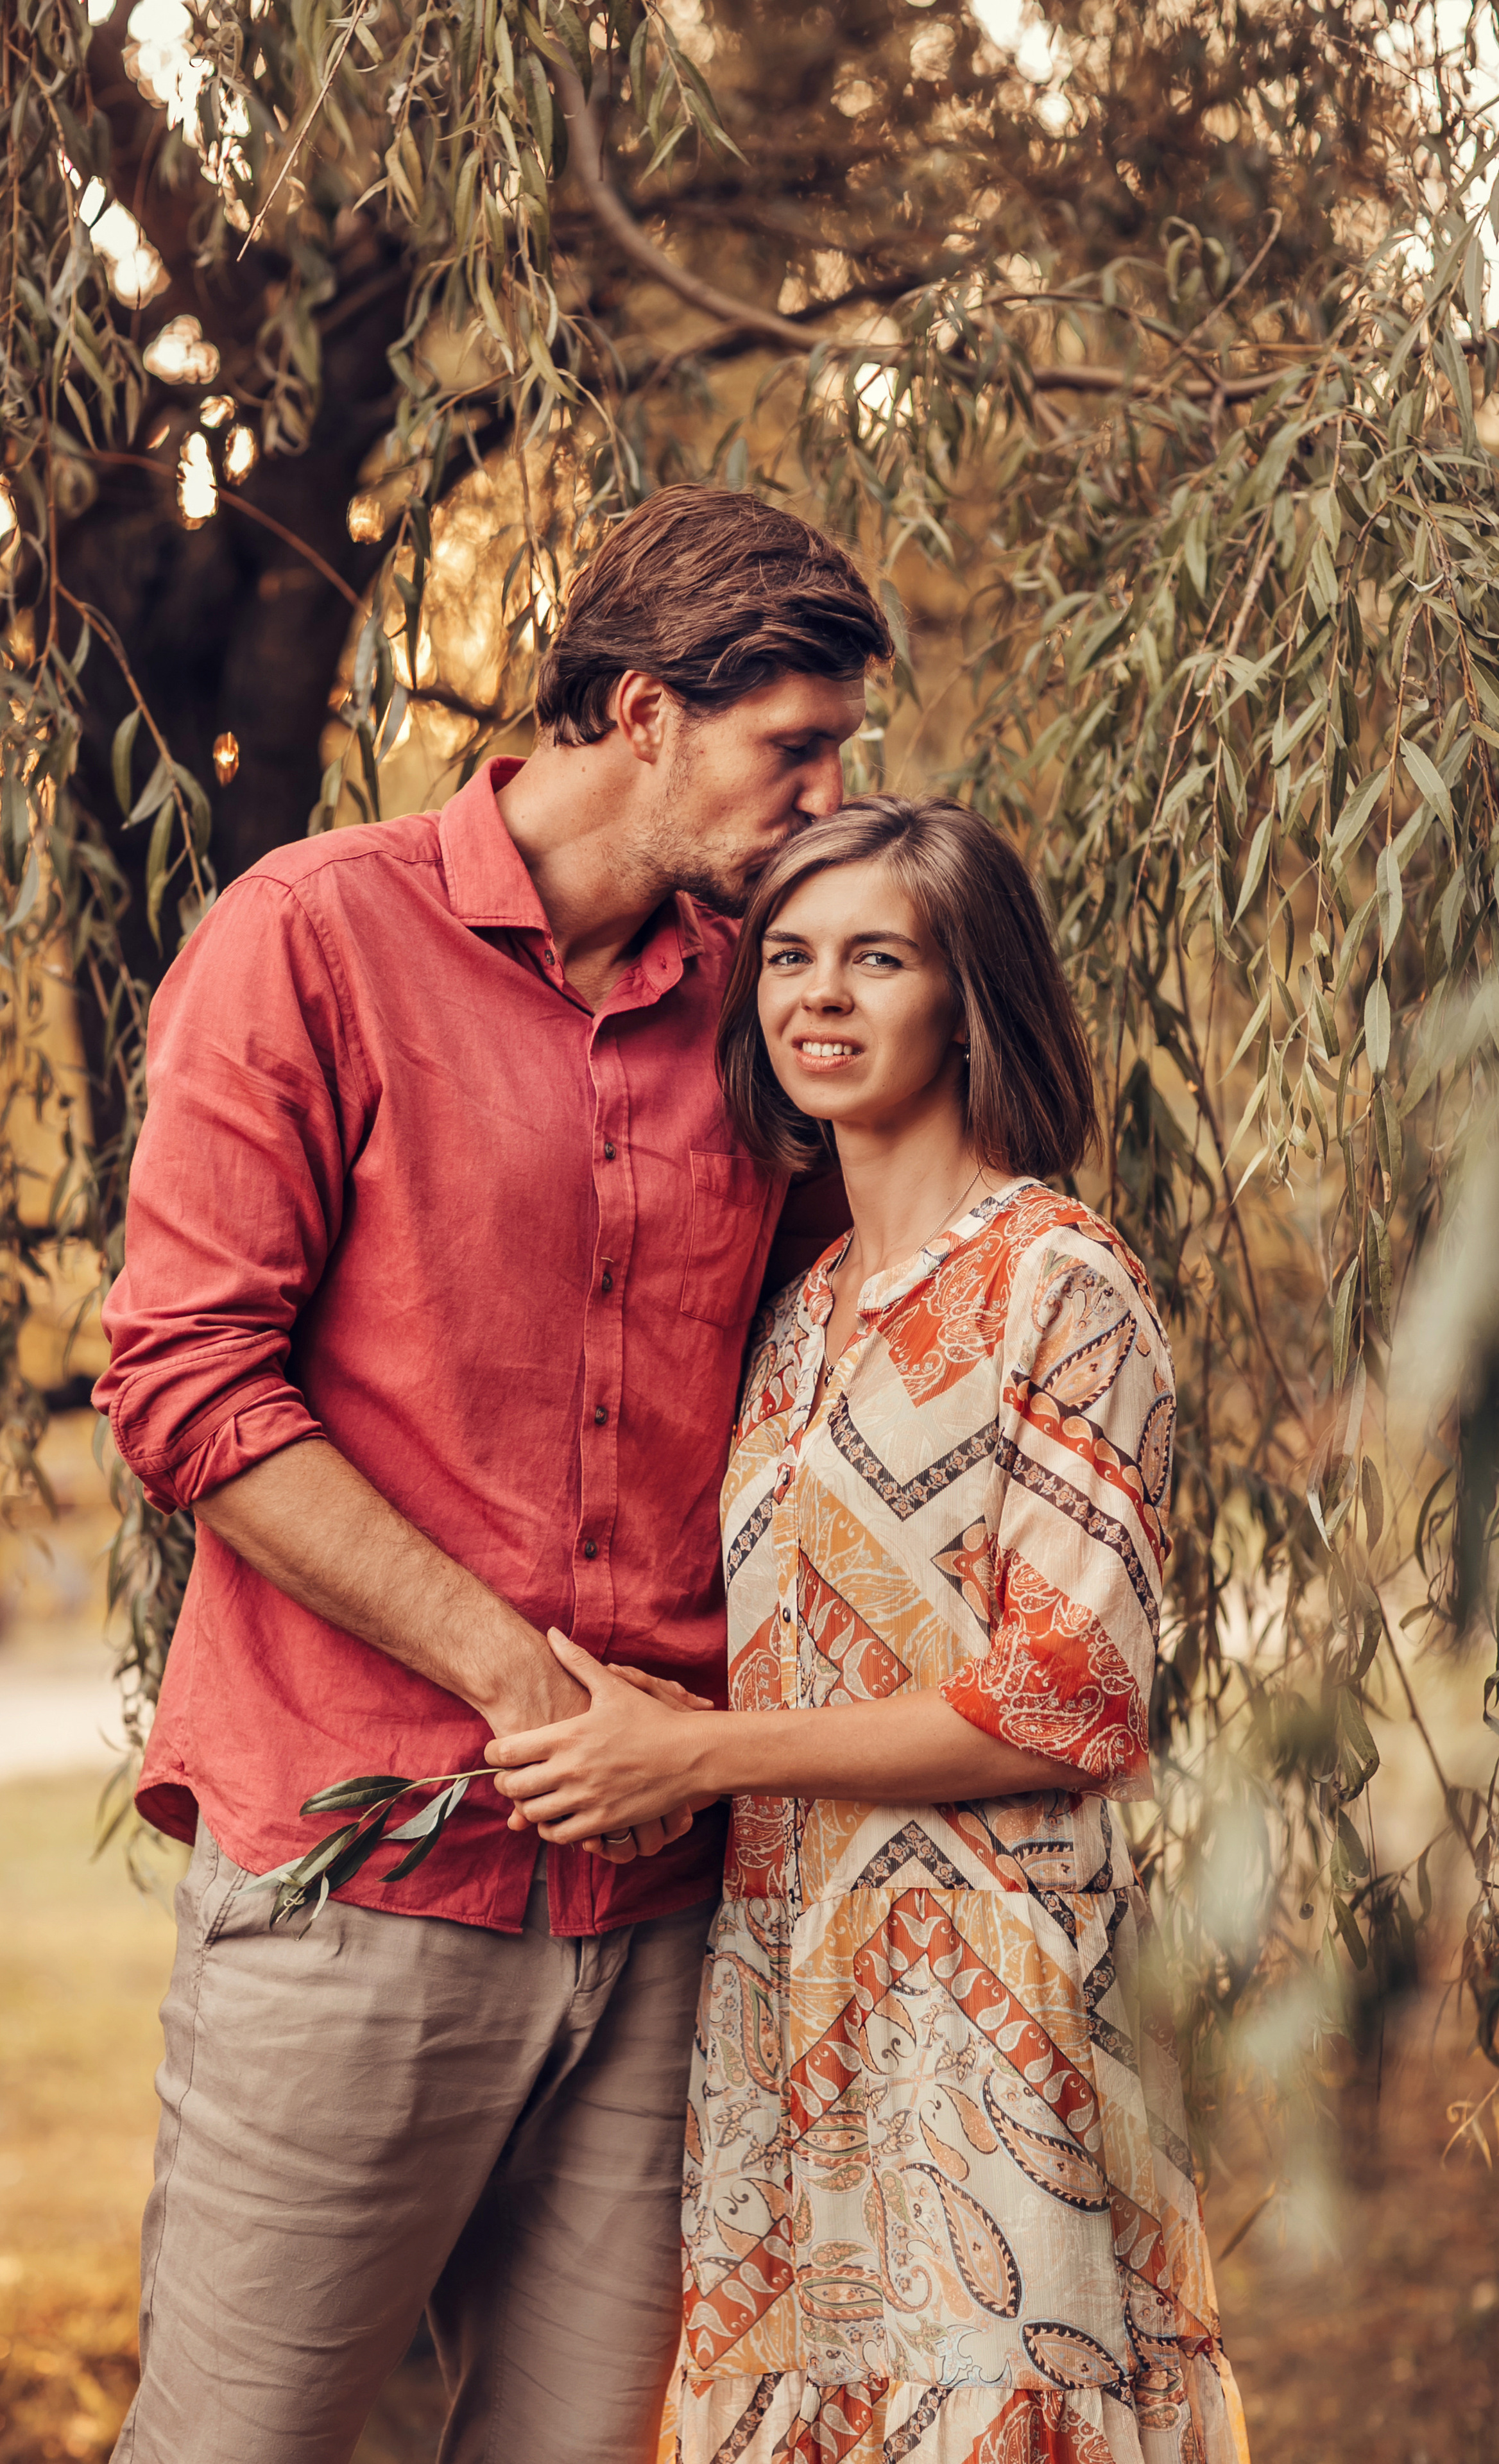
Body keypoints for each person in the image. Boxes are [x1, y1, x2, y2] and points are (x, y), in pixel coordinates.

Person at [92, 486, 893, 2464]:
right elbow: (186, 1386)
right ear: (640, 715)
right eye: (794, 749)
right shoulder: (313, 936)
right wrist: (521, 1681)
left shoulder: (766, 1007)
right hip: (364, 1874)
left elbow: (820, 1383)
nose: (825, 798)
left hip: (663, 1913)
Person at [489, 797, 1251, 2463]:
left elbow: (1069, 1702)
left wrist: (693, 1754)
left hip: (994, 2010)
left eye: (878, 957)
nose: (819, 996)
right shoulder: (795, 1316)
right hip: (786, 1992)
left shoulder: (1063, 1281)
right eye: (790, 957)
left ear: (964, 994)